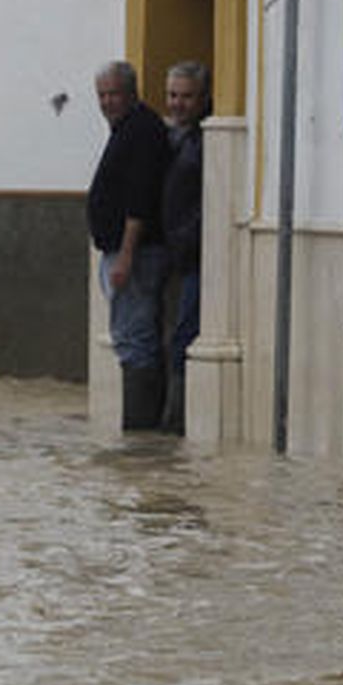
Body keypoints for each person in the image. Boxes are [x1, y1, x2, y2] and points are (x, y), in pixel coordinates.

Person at [86, 60, 172, 430]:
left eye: (113, 94)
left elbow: (140, 200)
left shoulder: (141, 130)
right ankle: (138, 429)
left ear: (132, 93)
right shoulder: (127, 129)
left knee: (134, 340)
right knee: (129, 338)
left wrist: (125, 255)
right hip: (121, 252)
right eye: (102, 95)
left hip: (135, 255)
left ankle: (140, 433)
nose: (107, 102)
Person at [159, 62, 210, 434]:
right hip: (174, 251)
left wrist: (187, 238)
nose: (178, 104)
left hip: (197, 255)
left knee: (184, 335)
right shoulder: (174, 138)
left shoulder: (206, 140)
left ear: (203, 98)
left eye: (186, 96)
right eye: (173, 95)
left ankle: (177, 423)